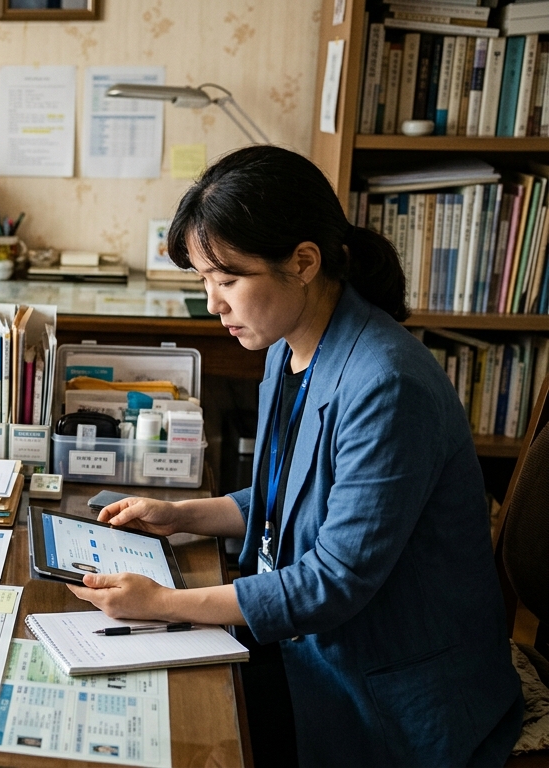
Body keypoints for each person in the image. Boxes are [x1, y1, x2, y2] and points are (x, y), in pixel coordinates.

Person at [69, 146, 522, 768]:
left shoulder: (387, 385)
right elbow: (297, 491)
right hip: (310, 650)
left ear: (303, 262)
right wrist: (180, 514)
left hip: (386, 691)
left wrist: (163, 604)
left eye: (227, 281)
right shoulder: (292, 346)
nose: (213, 304)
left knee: (178, 734)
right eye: (204, 281)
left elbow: (333, 581)